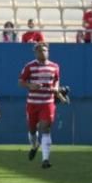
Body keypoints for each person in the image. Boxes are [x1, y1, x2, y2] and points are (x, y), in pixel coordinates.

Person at [18, 41, 68, 169]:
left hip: (47, 102)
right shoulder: (29, 66)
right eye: (40, 50)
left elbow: (56, 80)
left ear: (48, 52)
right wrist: (30, 85)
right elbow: (21, 81)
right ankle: (34, 146)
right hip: (33, 102)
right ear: (35, 52)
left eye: (45, 50)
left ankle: (45, 159)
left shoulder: (54, 66)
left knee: (46, 128)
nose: (42, 52)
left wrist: (57, 91)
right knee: (32, 130)